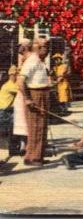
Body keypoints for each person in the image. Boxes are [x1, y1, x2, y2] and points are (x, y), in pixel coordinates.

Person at [17, 38, 51, 166]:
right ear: (35, 47)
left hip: (43, 94)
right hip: (35, 95)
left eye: (47, 47)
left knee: (41, 127)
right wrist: (27, 98)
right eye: (43, 46)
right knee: (36, 127)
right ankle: (32, 158)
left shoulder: (40, 61)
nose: (46, 50)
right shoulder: (32, 60)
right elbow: (20, 82)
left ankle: (37, 156)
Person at [11, 41, 32, 157]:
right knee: (21, 122)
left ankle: (27, 145)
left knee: (27, 122)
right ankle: (23, 144)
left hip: (25, 94)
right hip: (21, 96)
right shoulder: (19, 66)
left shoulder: (28, 63)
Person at [0, 65, 18, 157]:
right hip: (4, 111)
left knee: (11, 130)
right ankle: (6, 151)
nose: (16, 77)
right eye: (15, 75)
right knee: (4, 132)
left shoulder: (11, 84)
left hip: (8, 111)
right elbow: (20, 90)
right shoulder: (9, 85)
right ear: (11, 75)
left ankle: (12, 149)